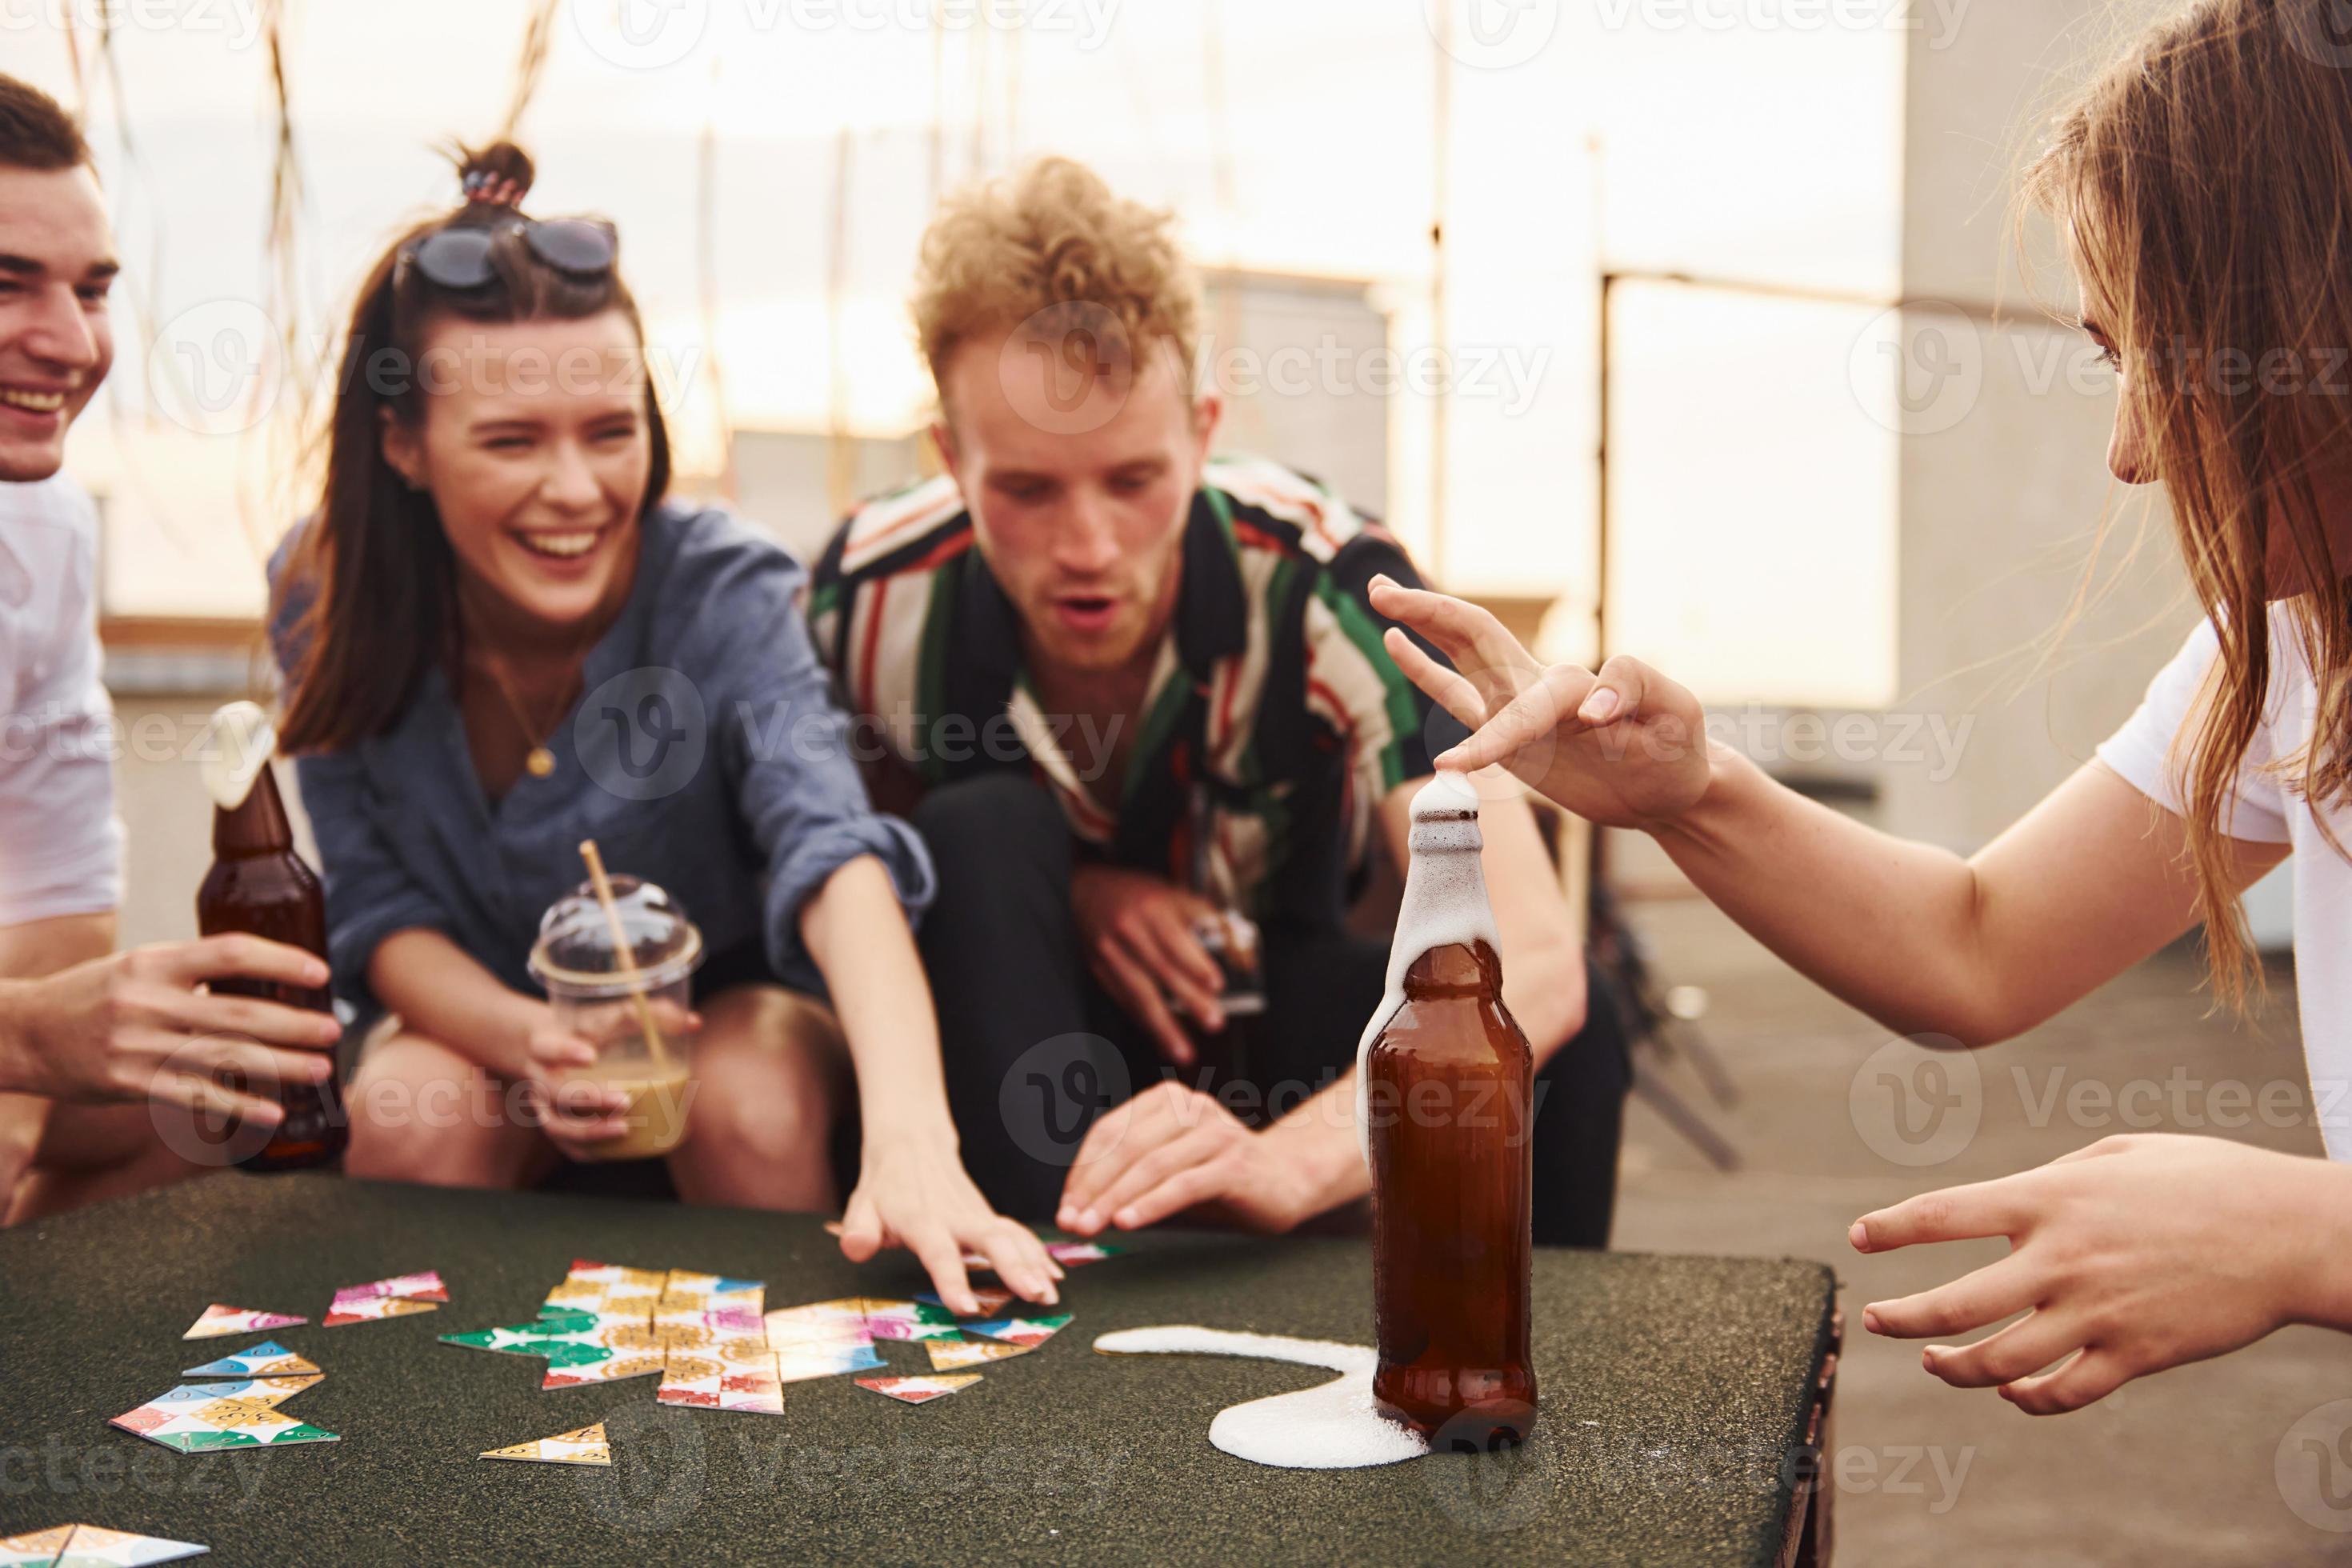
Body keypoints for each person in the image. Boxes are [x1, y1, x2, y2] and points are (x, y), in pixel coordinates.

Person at [1375, 0, 2352, 1416]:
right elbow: (1976, 945)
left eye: (2165, 351)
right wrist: (1689, 792)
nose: (2131, 450)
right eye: (2108, 353)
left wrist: (2306, 1234)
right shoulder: (2285, 652)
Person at [266, 142, 1051, 1311]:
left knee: (747, 1094)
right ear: (402, 445)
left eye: (609, 428)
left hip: (724, 1015)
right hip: (483, 1025)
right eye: (511, 440)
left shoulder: (720, 586)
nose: (577, 489)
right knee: (403, 1111)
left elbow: (832, 849)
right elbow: (378, 913)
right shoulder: (321, 594)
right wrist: (534, 1040)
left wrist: (914, 1142)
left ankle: (780, 1430)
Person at [810, 157, 1631, 1247]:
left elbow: (1530, 952)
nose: (1088, 548)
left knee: (1573, 1043)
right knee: (976, 831)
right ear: (950, 457)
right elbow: (869, 882)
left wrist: (1282, 1163)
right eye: (1027, 490)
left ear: (1202, 433)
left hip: (1280, 1033)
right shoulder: (867, 601)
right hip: (1036, 1058)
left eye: (1133, 481)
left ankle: (1516, 1370)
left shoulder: (1328, 581)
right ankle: (1046, 1294)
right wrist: (1083, 886)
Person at [0, 73, 343, 1222]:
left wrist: (19, 1087)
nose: (68, 342)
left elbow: (57, 904)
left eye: (91, 290)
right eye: (9, 284)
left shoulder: (41, 530)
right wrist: (21, 1041)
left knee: (243, 1083)